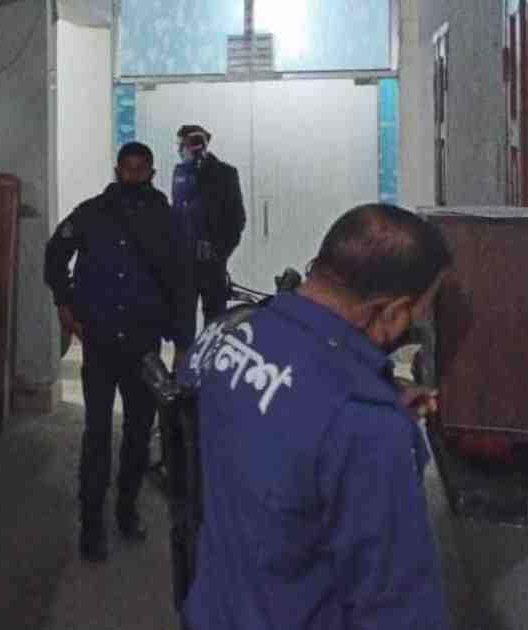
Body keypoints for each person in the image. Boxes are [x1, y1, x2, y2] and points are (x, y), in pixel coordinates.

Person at [179, 204, 450, 629]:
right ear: (394, 313)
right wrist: (371, 426)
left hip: (217, 608)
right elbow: (396, 608)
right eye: (419, 312)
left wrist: (370, 398)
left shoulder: (231, 332)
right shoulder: (366, 426)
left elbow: (275, 418)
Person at [45, 142, 195, 562]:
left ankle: (127, 511)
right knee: (96, 434)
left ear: (152, 173)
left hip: (144, 344)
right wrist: (64, 302)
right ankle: (91, 524)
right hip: (100, 340)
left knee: (138, 432)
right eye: (127, 169)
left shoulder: (167, 220)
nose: (133, 176)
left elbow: (183, 282)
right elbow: (55, 253)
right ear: (117, 170)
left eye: (140, 169)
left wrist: (183, 341)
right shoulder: (92, 213)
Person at [171, 124, 246, 324]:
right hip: (184, 264)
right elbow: (177, 213)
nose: (179, 150)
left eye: (182, 145)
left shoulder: (224, 173)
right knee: (182, 321)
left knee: (215, 321)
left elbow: (237, 219)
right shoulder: (180, 172)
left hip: (212, 264)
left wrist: (219, 252)